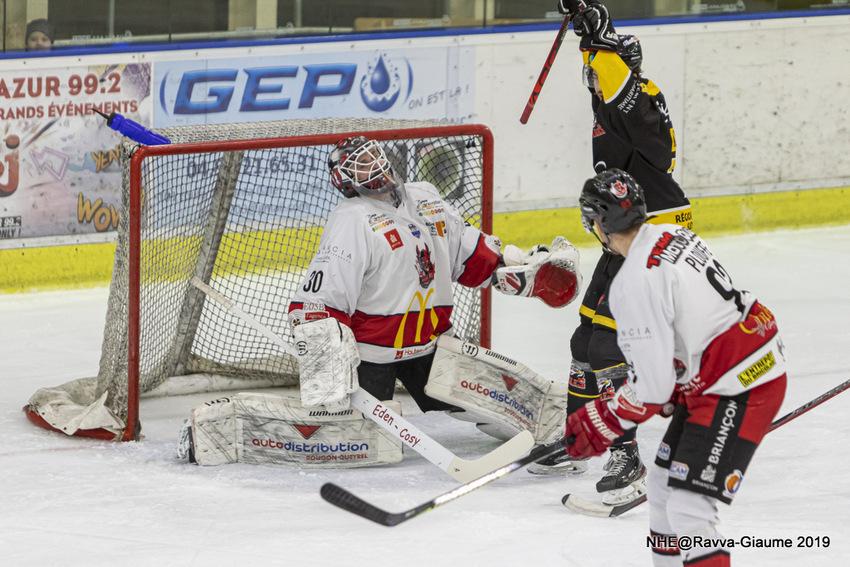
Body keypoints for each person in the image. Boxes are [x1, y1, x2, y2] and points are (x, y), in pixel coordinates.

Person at [565, 169, 787, 566]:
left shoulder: (634, 282)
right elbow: (691, 325)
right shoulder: (673, 234)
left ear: (599, 223)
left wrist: (603, 420)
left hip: (738, 382)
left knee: (689, 509)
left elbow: (651, 388)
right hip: (733, 364)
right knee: (663, 489)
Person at [288, 136, 580, 420]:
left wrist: (512, 268)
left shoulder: (425, 198)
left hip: (433, 344)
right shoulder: (351, 219)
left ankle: (544, 421)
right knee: (371, 431)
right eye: (361, 163)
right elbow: (319, 303)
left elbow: (467, 256)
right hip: (373, 353)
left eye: (374, 155)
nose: (374, 164)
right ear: (344, 180)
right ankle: (342, 415)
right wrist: (328, 384)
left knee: (497, 410)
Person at [531, 0, 692, 505]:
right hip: (624, 237)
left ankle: (625, 453)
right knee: (585, 338)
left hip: (651, 238)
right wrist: (588, 33)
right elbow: (603, 72)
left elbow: (615, 74)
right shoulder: (610, 103)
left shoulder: (640, 100)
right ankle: (580, 437)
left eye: (599, 73)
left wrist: (595, 35)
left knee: (609, 347)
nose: (593, 82)